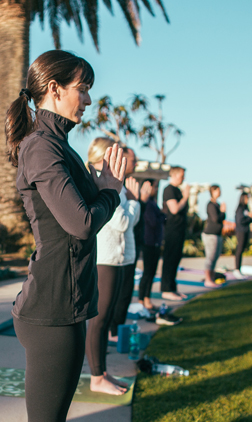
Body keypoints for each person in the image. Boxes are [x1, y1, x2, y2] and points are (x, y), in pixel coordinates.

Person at [5, 50, 127, 422]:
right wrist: (110, 192)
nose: (89, 99)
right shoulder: (42, 146)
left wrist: (103, 189)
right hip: (50, 312)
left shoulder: (58, 145)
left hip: (64, 306)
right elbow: (82, 223)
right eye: (83, 89)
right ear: (55, 89)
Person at [85, 139, 142, 395]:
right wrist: (134, 201)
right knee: (99, 321)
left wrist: (130, 202)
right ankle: (96, 378)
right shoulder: (101, 181)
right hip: (105, 258)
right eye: (116, 151)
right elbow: (121, 222)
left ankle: (103, 373)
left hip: (115, 258)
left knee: (106, 319)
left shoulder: (111, 180)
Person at [108, 147, 152, 345]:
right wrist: (135, 202)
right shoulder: (115, 186)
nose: (136, 162)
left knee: (125, 295)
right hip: (112, 256)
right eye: (133, 158)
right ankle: (112, 332)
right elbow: (123, 222)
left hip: (127, 253)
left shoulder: (126, 188)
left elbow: (131, 222)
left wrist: (135, 201)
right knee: (114, 298)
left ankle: (117, 331)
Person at [161, 166, 190, 301]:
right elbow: (174, 209)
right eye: (182, 175)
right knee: (170, 259)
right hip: (172, 230)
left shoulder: (177, 190)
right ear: (174, 174)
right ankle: (166, 289)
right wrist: (185, 197)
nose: (183, 178)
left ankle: (173, 288)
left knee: (176, 259)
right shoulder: (169, 190)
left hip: (180, 230)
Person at [138, 180, 165, 310]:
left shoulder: (153, 203)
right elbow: (154, 222)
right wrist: (162, 216)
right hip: (149, 242)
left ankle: (145, 298)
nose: (156, 189)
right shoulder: (148, 204)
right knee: (148, 273)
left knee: (151, 272)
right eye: (155, 187)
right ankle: (142, 299)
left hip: (154, 242)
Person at [202, 184, 226, 287]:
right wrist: (222, 211)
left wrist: (222, 212)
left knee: (215, 257)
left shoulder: (217, 204)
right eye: (218, 190)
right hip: (210, 234)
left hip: (217, 234)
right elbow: (216, 219)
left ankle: (211, 278)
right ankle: (207, 280)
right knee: (210, 257)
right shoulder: (211, 205)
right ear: (213, 191)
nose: (220, 192)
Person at [234, 192, 252, 279]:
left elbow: (248, 220)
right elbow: (240, 221)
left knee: (242, 250)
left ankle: (239, 269)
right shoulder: (240, 209)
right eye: (246, 198)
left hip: (245, 231)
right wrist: (249, 218)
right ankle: (236, 269)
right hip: (240, 231)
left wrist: (250, 217)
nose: (247, 200)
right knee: (239, 249)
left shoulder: (246, 208)